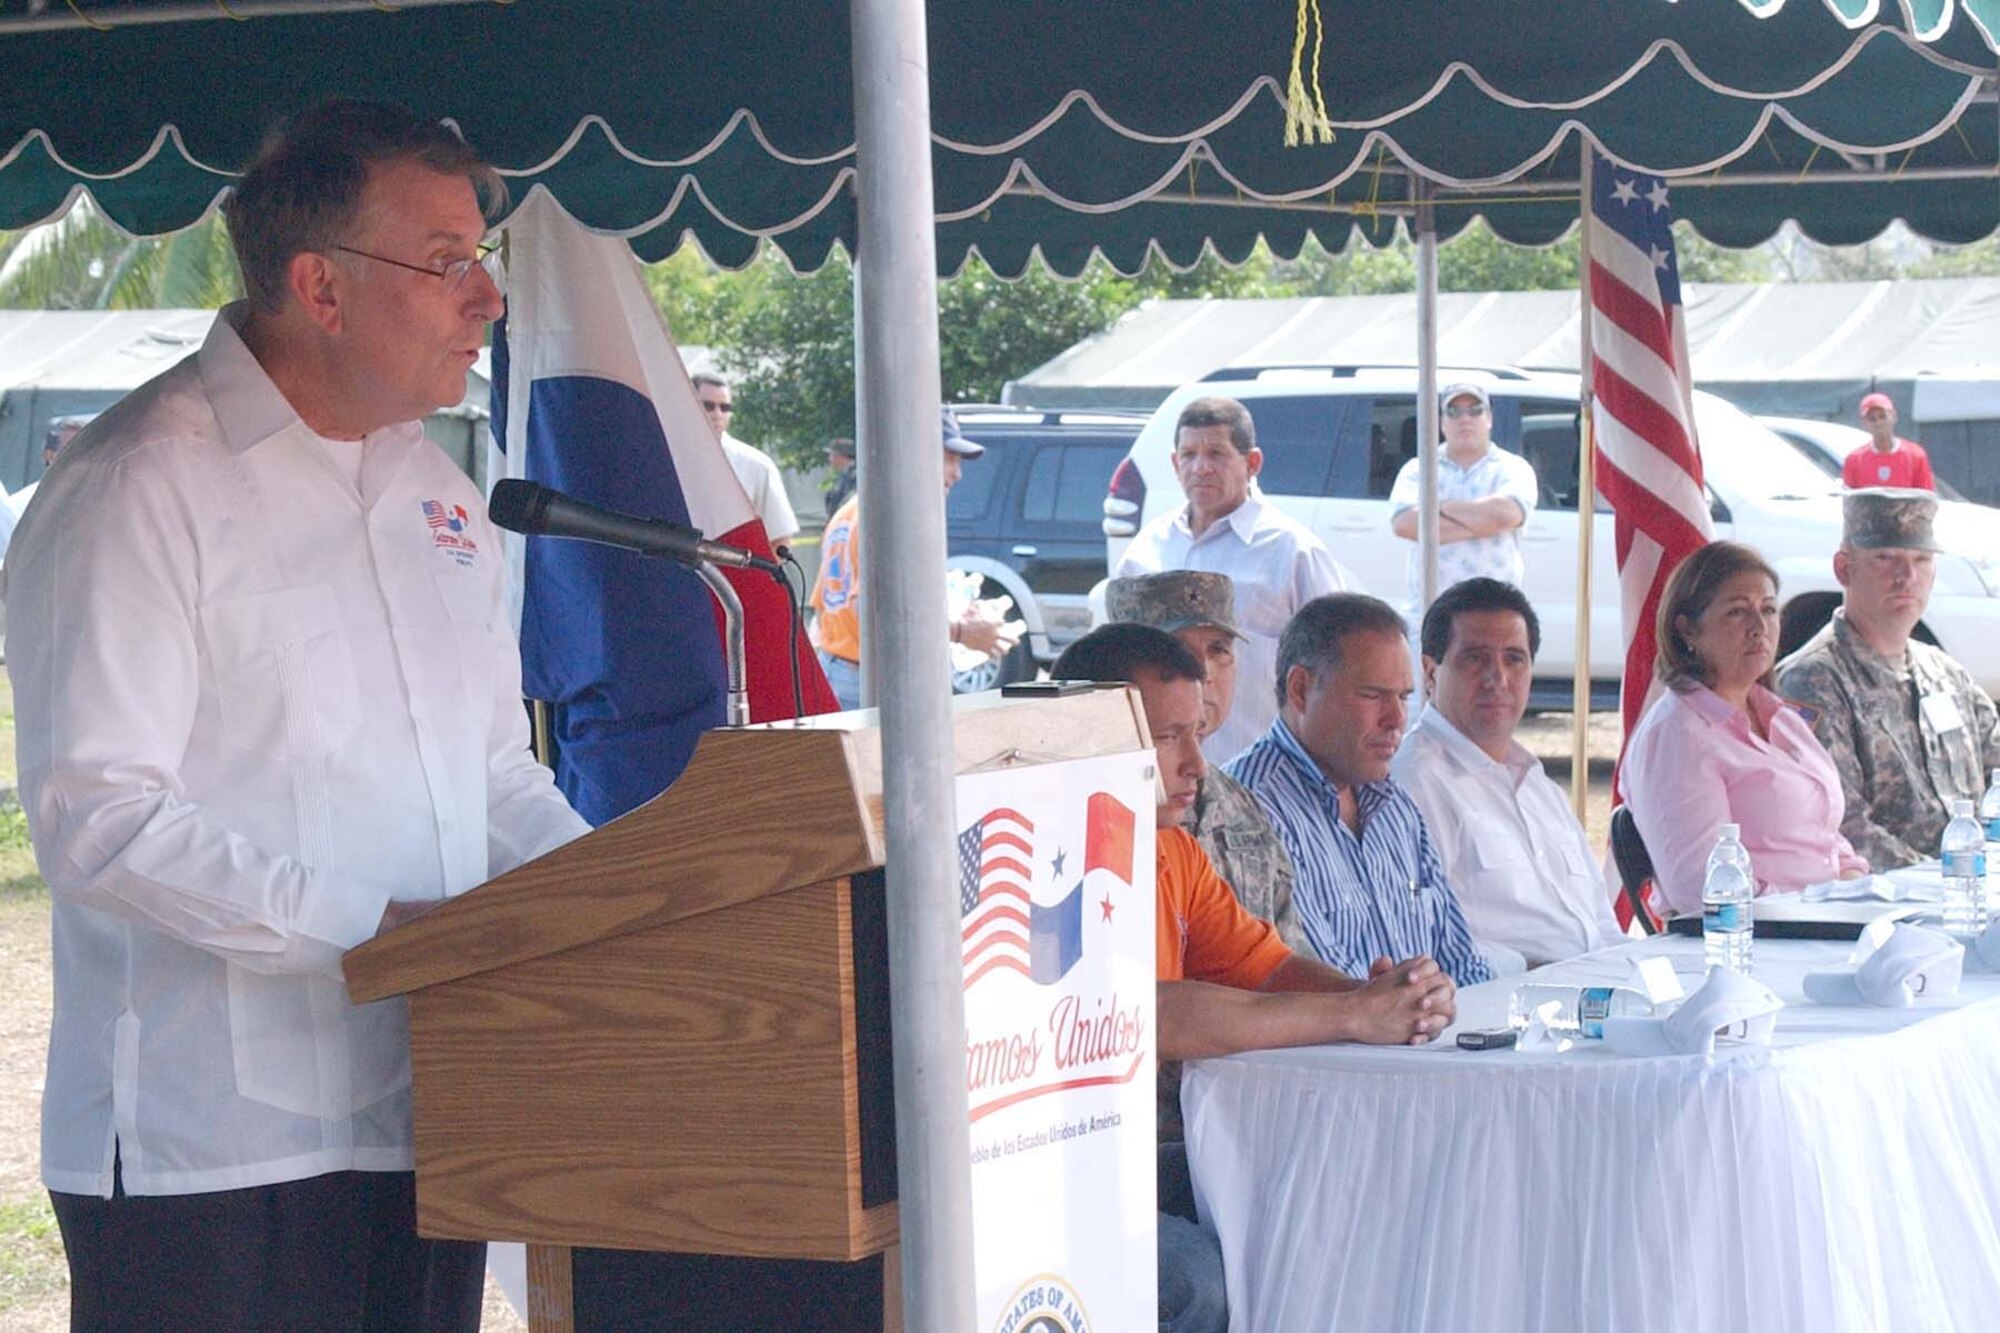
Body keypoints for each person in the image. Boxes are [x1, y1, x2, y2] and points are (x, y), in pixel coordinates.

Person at [4, 99, 592, 1332]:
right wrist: (382, 935)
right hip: (215, 1143)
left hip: (435, 1108)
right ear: (319, 287)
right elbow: (95, 817)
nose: (485, 300)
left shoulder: (436, 493)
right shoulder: (138, 482)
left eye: (481, 263)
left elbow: (491, 772)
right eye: (446, 264)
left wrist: (619, 904)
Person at [1050, 622, 1455, 1333]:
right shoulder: (1051, 848)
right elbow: (1154, 1015)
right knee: (1198, 1281)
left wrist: (1388, 1000)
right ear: (1088, 733)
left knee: (1339, 1209)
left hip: (1151, 1153)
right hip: (1057, 1175)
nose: (1197, 765)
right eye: (1169, 737)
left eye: (1198, 732)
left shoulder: (1171, 850)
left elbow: (1267, 968)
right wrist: (1352, 1016)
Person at [1229, 593, 1494, 986]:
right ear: (1301, 689)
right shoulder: (1248, 810)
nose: (1396, 719)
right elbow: (1309, 989)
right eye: (1372, 695)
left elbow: (1462, 964)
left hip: (1426, 1038)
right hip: (1333, 1045)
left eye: (1404, 697)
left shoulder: (1395, 807)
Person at [1623, 541, 1867, 914]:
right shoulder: (1677, 734)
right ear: (1688, 630)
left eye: (1768, 609)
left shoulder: (1779, 716)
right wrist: (1814, 906)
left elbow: (1824, 838)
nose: (1759, 627)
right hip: (1754, 939)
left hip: (1825, 919)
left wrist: (1855, 890)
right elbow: (1701, 889)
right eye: (1737, 612)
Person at [1391, 578, 1623, 967]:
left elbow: (1602, 924)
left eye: (1514, 658)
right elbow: (1418, 943)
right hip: (1505, 1007)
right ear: (1430, 673)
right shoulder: (1413, 784)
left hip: (1598, 994)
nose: (1497, 677)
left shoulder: (1539, 786)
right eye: (1475, 658)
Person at [1112, 395, 1349, 766]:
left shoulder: (1291, 551)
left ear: (1252, 462)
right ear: (1174, 464)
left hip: (1261, 776)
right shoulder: (1147, 550)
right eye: (1189, 455)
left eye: (1217, 454)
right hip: (1165, 776)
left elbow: (1338, 664)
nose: (1201, 468)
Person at [1779, 488, 2000, 869]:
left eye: (1921, 559)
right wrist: (1948, 878)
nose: (1906, 576)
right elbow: (1838, 826)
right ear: (1844, 569)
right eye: (1885, 558)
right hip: (1885, 907)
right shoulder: (1812, 682)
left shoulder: (1945, 674)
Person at [1103, 570, 1307, 953]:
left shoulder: (1242, 806)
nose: (1204, 673)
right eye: (1177, 650)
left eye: (1219, 650)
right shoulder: (1094, 814)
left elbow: (1284, 955)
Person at [809, 409, 1017, 709]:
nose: (957, 473)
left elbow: (822, 607)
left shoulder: (853, 509)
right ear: (913, 454)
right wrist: (960, 631)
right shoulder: (893, 516)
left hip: (842, 672)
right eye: (948, 457)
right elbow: (869, 608)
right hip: (870, 681)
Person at [1388, 380, 1538, 617]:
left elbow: (1506, 514)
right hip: (1429, 613)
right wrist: (1483, 524)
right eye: (1453, 411)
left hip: (1496, 613)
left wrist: (1437, 506)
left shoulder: (1513, 468)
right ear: (1442, 422)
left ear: (1489, 419)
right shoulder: (1418, 469)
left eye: (1475, 410)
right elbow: (1404, 524)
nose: (1465, 419)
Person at [694, 371, 800, 545]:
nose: (718, 414)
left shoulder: (756, 466)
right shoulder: (665, 459)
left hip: (733, 569)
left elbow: (779, 540)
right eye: (708, 406)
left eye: (725, 408)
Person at [1842, 392, 1936, 491]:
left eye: (1882, 416)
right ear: (1865, 424)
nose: (1878, 423)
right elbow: (1850, 502)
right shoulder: (1854, 460)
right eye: (1872, 419)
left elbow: (1926, 499)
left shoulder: (1916, 456)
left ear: (1894, 416)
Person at [823, 436, 857, 515]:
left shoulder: (854, 478)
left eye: (831, 455)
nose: (829, 459)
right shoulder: (844, 477)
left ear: (841, 456)